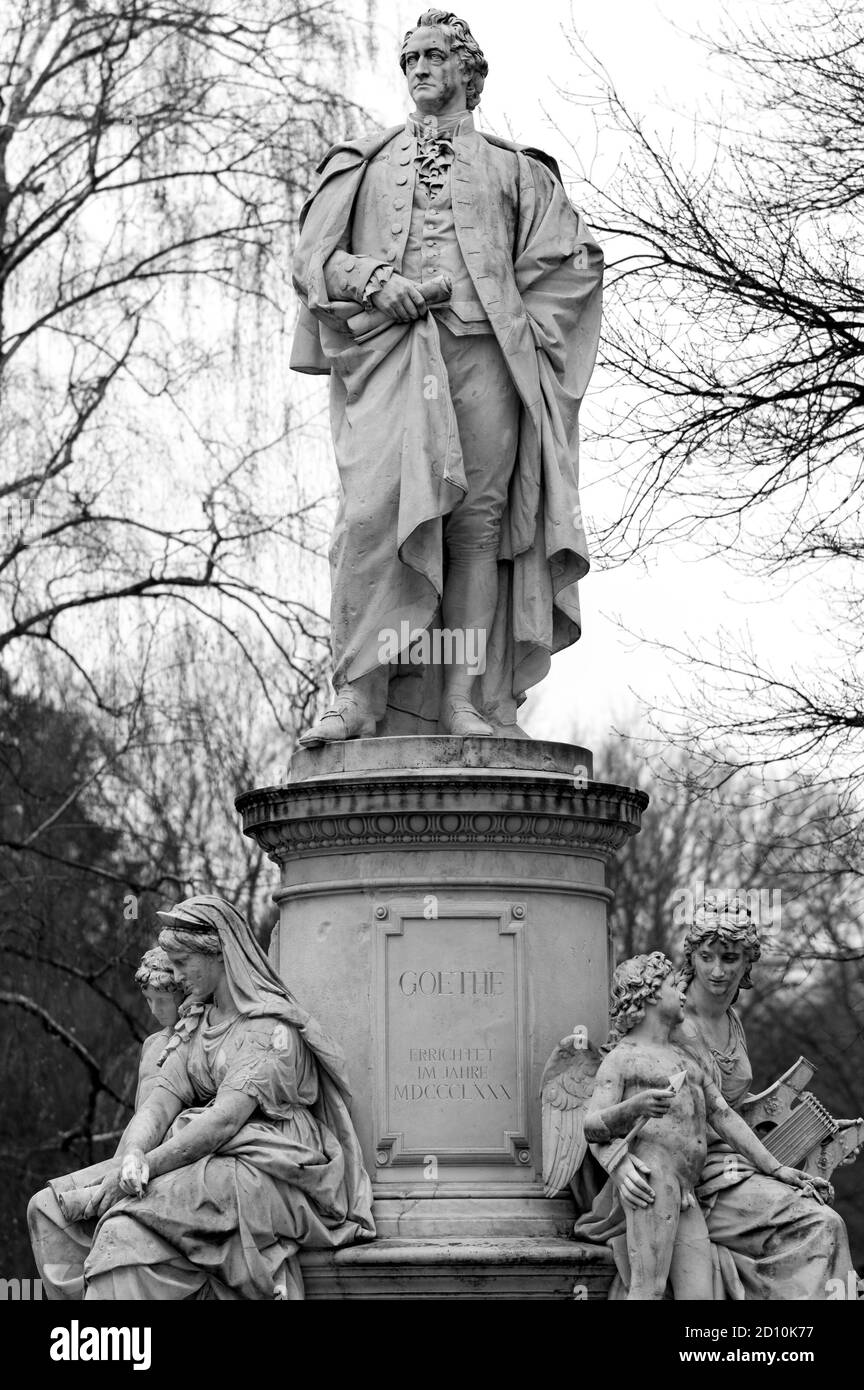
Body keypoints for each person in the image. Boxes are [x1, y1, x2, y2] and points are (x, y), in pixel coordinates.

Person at [292, 9, 602, 743]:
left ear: (470, 71)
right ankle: (360, 696)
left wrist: (522, 327)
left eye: (434, 56)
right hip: (394, 359)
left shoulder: (517, 171)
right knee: (371, 518)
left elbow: (573, 263)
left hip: (485, 359)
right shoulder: (362, 165)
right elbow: (314, 259)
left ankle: (463, 698)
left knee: (477, 527)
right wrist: (373, 282)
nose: (420, 70)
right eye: (410, 60)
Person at [28, 895, 375, 1300]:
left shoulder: (270, 1030)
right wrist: (129, 1160)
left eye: (181, 963)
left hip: (269, 1162)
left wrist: (144, 1171)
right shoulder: (197, 1022)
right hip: (202, 1155)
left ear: (219, 954)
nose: (175, 977)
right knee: (47, 1209)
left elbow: (224, 1121)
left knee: (121, 1229)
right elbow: (160, 1102)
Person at [584, 952, 824, 1300]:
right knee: (647, 1289)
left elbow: (724, 1116)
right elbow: (592, 1124)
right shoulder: (624, 1057)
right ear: (650, 995)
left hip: (686, 1191)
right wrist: (634, 1107)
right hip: (654, 1182)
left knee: (701, 1295)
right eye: (671, 985)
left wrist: (777, 1168)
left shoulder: (686, 1059)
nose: (682, 992)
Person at [674, 909, 857, 1300]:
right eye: (707, 957)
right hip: (697, 1178)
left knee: (821, 1214)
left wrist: (812, 1133)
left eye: (730, 958)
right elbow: (709, 1114)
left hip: (737, 1164)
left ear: (748, 962)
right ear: (691, 958)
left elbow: (734, 1109)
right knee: (821, 1224)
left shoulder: (732, 1019)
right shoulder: (673, 1021)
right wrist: (767, 1165)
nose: (718, 971)